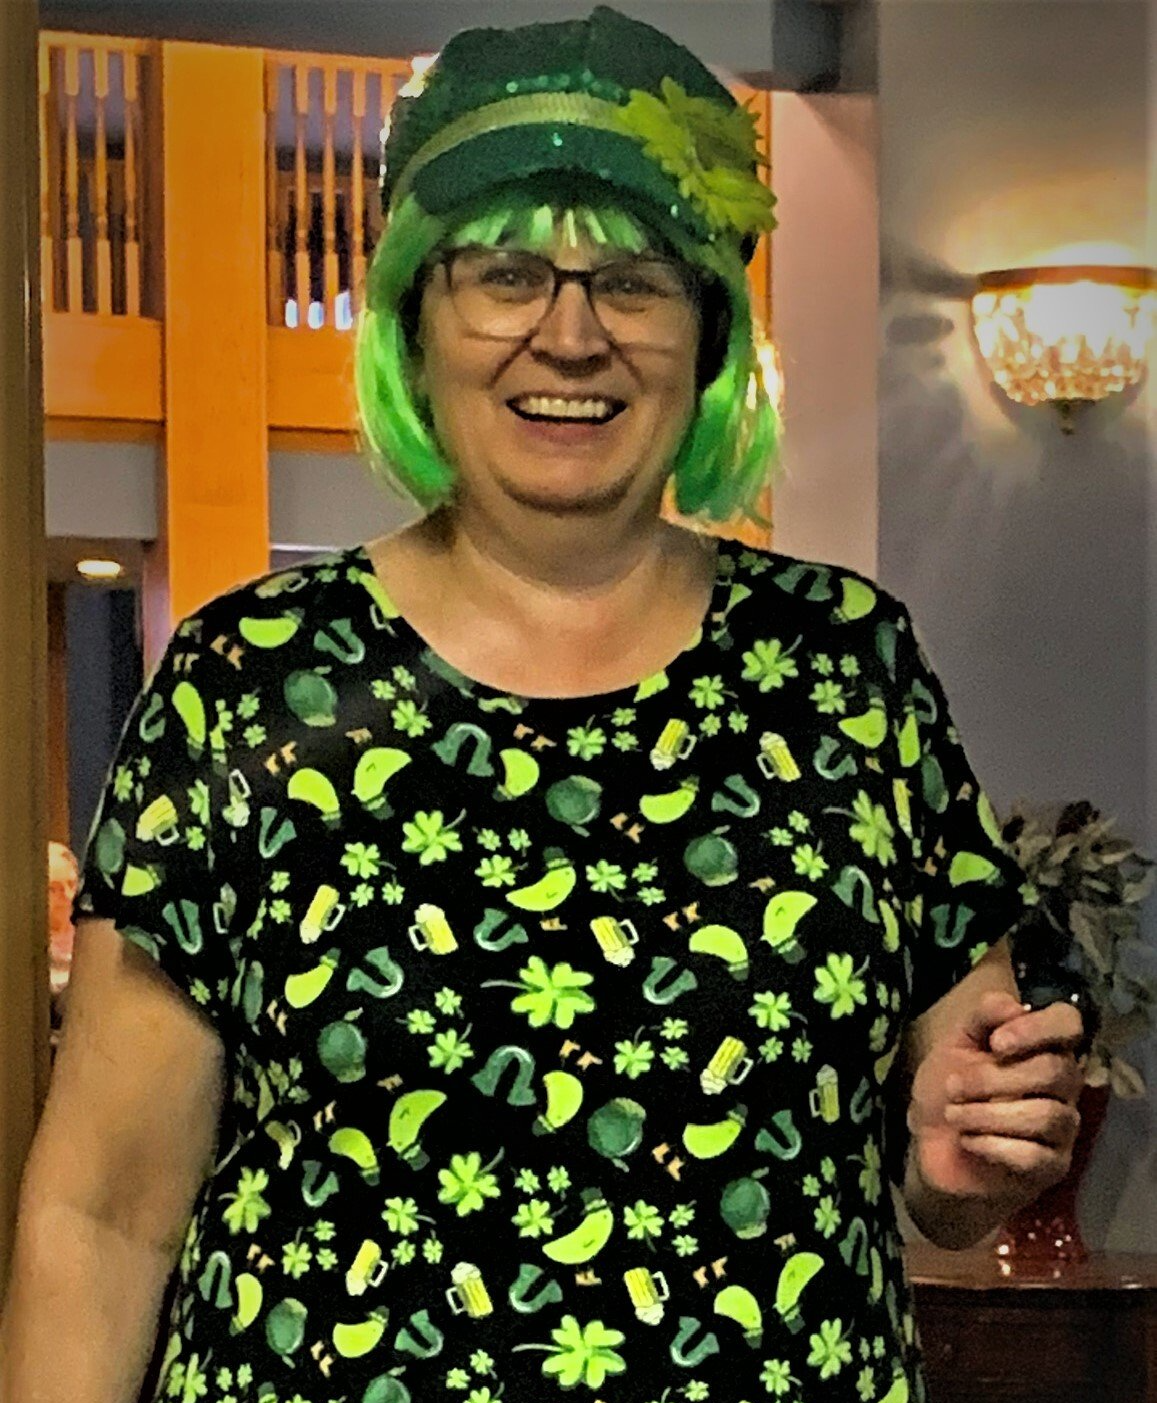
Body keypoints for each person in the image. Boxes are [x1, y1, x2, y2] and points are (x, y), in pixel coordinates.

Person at [1, 9, 1086, 1403]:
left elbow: (952, 1145)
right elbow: (98, 1218)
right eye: (505, 271)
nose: (570, 335)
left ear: (707, 330)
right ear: (415, 315)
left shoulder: (846, 671)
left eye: (634, 277)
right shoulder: (249, 684)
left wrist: (966, 1163)